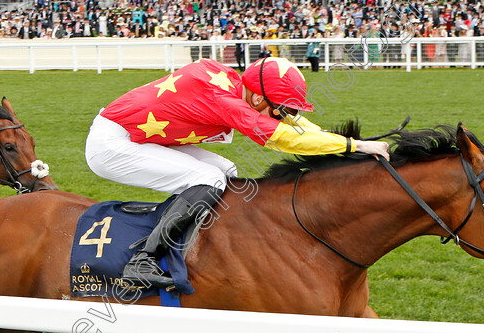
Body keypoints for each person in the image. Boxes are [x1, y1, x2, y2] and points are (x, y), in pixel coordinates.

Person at [85, 57, 390, 288]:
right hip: (112, 144)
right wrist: (352, 147)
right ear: (258, 99)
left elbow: (295, 125)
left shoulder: (239, 87)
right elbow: (286, 138)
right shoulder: (227, 100)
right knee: (208, 179)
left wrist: (355, 144)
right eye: (280, 109)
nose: (283, 117)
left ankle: (213, 247)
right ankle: (144, 259)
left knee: (226, 172)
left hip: (138, 134)